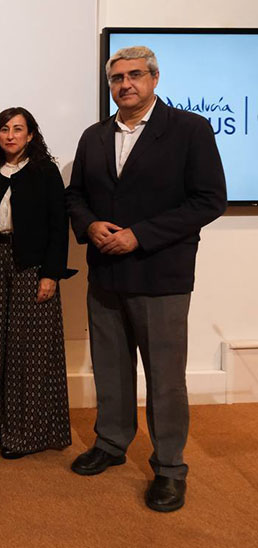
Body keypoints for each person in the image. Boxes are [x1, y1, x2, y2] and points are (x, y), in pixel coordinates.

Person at [65, 46, 226, 512]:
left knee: (165, 379)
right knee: (110, 368)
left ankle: (170, 467)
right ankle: (111, 443)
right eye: (117, 78)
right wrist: (90, 225)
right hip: (106, 275)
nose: (126, 84)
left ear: (155, 79)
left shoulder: (190, 129)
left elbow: (208, 200)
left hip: (161, 275)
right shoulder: (95, 136)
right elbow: (75, 196)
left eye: (135, 75)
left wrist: (140, 235)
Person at [0, 107, 74, 460]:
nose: (10, 135)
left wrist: (51, 274)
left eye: (18, 129)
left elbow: (58, 227)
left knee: (27, 350)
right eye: (4, 129)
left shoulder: (45, 172)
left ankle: (25, 433)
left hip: (32, 266)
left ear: (30, 135)